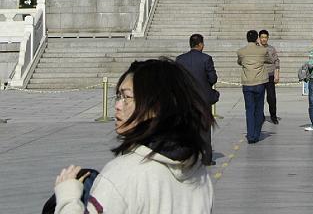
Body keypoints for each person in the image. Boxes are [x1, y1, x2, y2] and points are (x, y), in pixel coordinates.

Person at [52, 58, 213, 213]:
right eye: (118, 96)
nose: (117, 105)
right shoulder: (198, 172)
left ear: (156, 107)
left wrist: (68, 198)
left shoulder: (123, 174)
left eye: (126, 97)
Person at [175, 33, 218, 164]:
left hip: (187, 99)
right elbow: (213, 78)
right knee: (204, 129)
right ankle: (206, 158)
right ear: (200, 45)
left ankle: (186, 156)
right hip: (203, 99)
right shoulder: (206, 59)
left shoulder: (180, 59)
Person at [237, 29, 274, 144]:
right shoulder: (262, 50)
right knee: (259, 109)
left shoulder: (241, 51)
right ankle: (257, 134)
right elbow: (270, 60)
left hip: (247, 83)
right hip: (259, 83)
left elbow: (239, 62)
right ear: (257, 38)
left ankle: (250, 135)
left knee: (249, 110)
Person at [258, 29, 280, 124]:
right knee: (259, 97)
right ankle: (260, 115)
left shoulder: (271, 49)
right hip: (259, 75)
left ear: (268, 38)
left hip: (270, 75)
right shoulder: (256, 49)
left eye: (265, 37)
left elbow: (276, 61)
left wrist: (277, 74)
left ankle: (273, 116)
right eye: (262, 37)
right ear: (259, 38)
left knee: (271, 97)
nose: (263, 39)